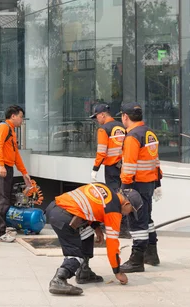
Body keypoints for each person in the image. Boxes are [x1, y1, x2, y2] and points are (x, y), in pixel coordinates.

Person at [45, 183, 142, 295]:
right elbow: (112, 244)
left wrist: (96, 227)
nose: (128, 214)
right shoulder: (114, 211)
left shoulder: (104, 187)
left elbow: (88, 207)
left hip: (54, 208)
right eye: (130, 211)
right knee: (76, 255)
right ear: (127, 203)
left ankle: (84, 272)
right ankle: (59, 279)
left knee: (87, 231)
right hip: (65, 218)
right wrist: (117, 271)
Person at [118, 102, 163, 272]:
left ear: (125, 117)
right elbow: (155, 160)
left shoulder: (132, 136)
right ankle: (151, 254)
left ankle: (136, 260)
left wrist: (124, 189)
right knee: (146, 218)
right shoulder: (149, 133)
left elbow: (129, 165)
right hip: (149, 183)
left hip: (135, 184)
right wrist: (157, 182)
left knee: (137, 222)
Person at [89, 103, 130, 238]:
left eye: (96, 117)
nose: (97, 120)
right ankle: (126, 227)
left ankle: (118, 227)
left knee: (113, 197)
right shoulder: (122, 126)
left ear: (102, 114)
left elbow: (101, 152)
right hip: (124, 167)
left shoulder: (103, 129)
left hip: (112, 168)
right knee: (125, 194)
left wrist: (95, 169)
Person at [0, 105, 31, 243]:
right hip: (1, 167)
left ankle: (2, 228)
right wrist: (1, 164)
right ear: (13, 116)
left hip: (8, 167)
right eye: (20, 117)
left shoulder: (12, 131)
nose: (22, 120)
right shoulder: (3, 127)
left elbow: (15, 155)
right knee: (2, 199)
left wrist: (24, 172)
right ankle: (0, 231)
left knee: (5, 198)